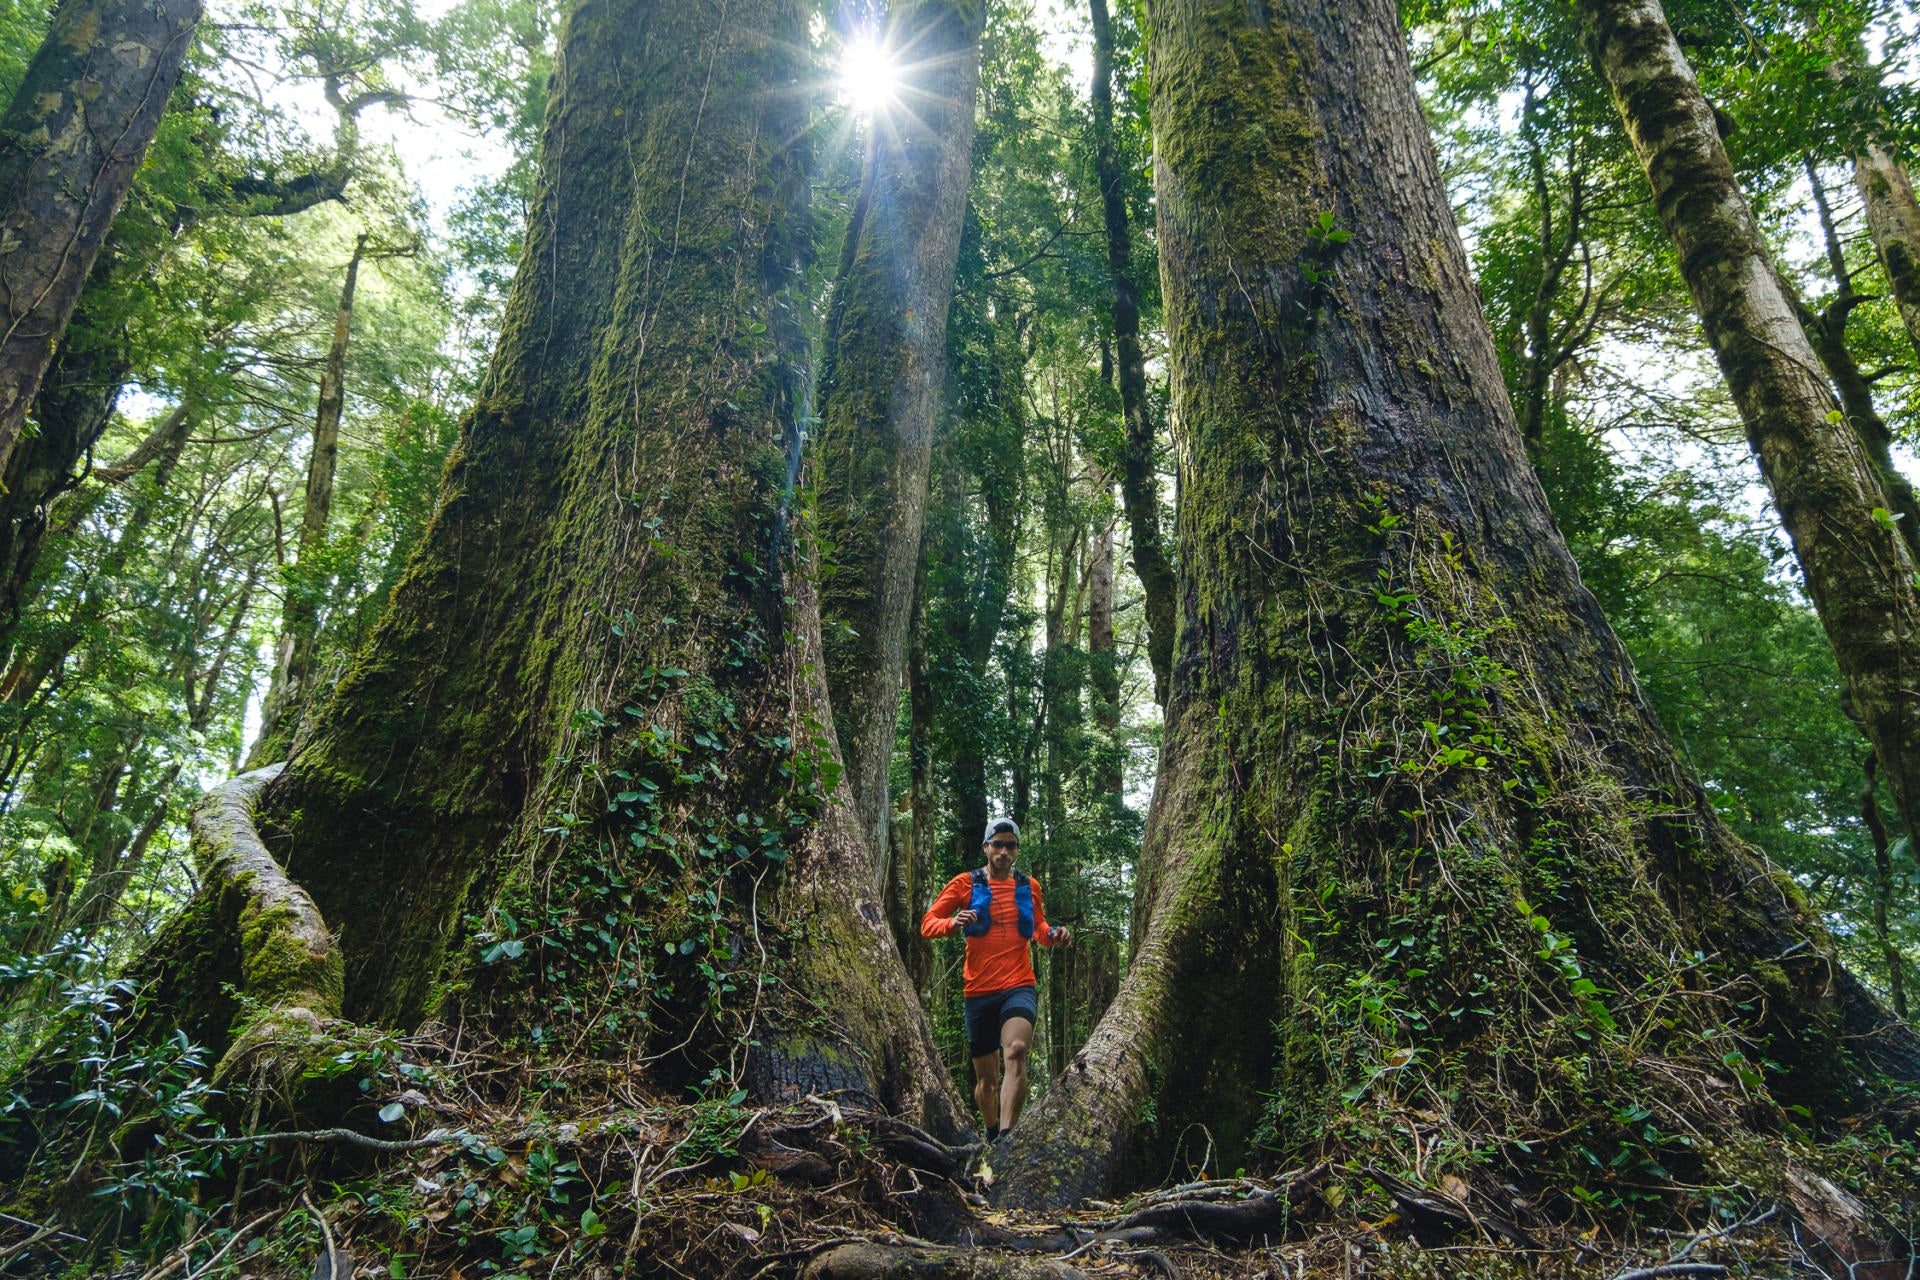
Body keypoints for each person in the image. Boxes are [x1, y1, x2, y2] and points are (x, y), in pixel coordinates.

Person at [920, 817, 1070, 1142]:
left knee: (1015, 1049)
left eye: (1010, 845)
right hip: (978, 991)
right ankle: (990, 1129)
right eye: (997, 844)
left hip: (1019, 985)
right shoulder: (965, 883)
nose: (1003, 851)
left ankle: (1006, 1138)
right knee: (986, 1083)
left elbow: (1039, 930)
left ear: (1017, 850)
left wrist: (1054, 934)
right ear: (986, 847)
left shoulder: (1028, 886)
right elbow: (928, 923)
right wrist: (953, 922)